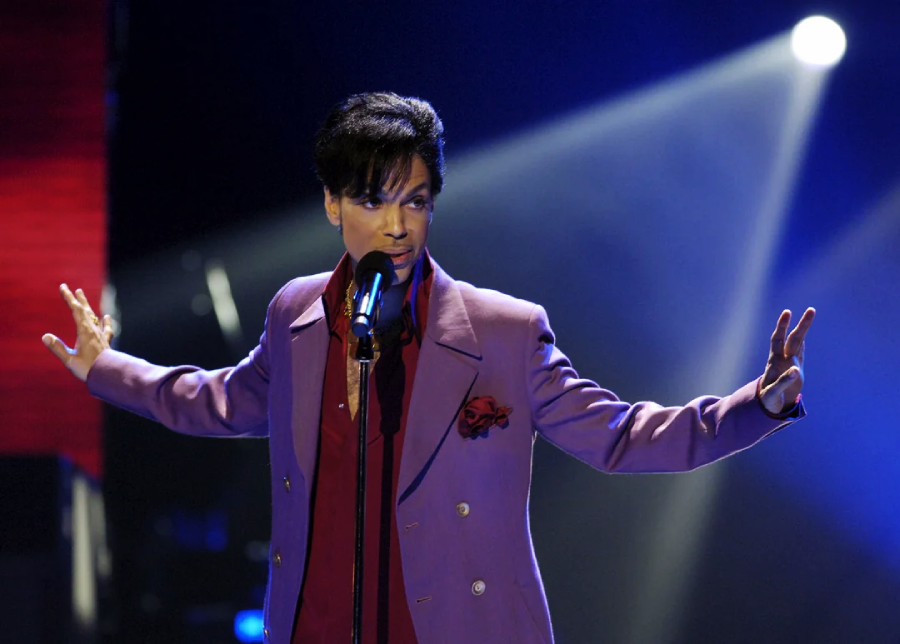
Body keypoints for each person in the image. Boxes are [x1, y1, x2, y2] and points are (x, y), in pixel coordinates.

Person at [43, 92, 815, 644]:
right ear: (332, 204)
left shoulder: (504, 332)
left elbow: (620, 435)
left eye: (415, 201)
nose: (397, 224)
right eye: (375, 201)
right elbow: (217, 401)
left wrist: (759, 404)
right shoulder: (295, 314)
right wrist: (105, 367)